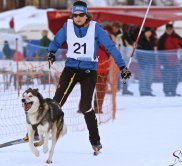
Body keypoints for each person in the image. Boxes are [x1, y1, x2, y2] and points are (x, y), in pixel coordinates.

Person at [47, 1, 131, 152]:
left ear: (86, 15)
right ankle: (40, 132)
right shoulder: (68, 26)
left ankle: (95, 141)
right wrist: (51, 52)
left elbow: (111, 47)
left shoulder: (95, 28)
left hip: (88, 71)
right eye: (75, 15)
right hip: (71, 69)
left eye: (81, 15)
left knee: (86, 106)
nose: (78, 18)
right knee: (56, 102)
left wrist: (123, 66)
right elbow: (57, 40)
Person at [158, 23, 182, 96]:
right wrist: (162, 62)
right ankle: (167, 92)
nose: (169, 31)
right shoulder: (162, 39)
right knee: (167, 77)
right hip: (166, 61)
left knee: (175, 77)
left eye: (170, 29)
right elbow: (159, 51)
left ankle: (173, 91)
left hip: (175, 61)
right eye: (168, 29)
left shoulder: (176, 37)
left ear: (173, 29)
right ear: (165, 30)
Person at [109, 22, 134, 96]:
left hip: (123, 57)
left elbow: (129, 42)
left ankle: (125, 89)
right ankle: (115, 88)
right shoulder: (110, 35)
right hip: (113, 58)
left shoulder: (123, 34)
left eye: (117, 27)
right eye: (114, 27)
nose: (115, 29)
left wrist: (133, 44)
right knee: (114, 74)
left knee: (124, 74)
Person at [136, 27, 156, 96]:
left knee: (149, 77)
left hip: (150, 62)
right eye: (147, 32)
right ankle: (143, 91)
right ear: (144, 32)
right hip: (143, 62)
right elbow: (138, 52)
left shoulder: (152, 40)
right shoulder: (141, 40)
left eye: (150, 32)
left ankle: (148, 90)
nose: (149, 33)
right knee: (143, 77)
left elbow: (153, 51)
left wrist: (154, 61)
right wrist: (140, 61)